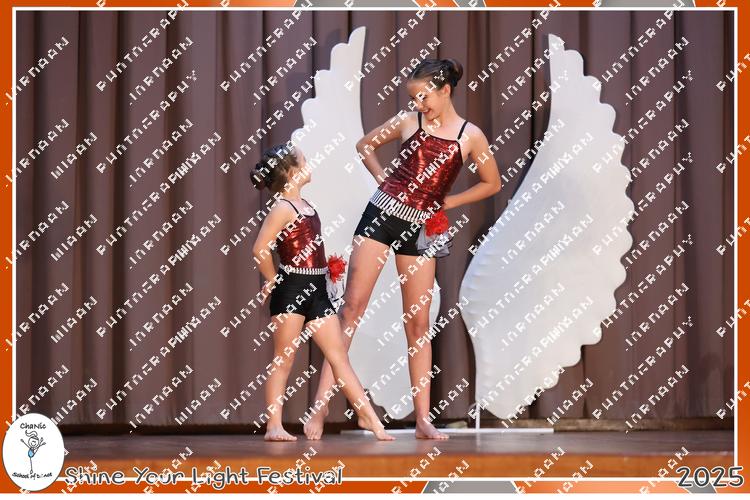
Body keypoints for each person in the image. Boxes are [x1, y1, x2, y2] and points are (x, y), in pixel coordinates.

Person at [304, 58, 502, 440]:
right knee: (351, 309)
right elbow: (364, 145)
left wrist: (449, 202)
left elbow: (491, 183)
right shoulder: (409, 121)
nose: (419, 104)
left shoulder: (470, 135)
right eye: (414, 98)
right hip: (382, 215)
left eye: (424, 96)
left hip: (421, 228)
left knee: (418, 324)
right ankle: (320, 406)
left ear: (445, 91)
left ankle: (423, 419)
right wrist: (383, 179)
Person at [251, 143, 395, 442]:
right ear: (292, 172)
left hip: (316, 290)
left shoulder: (306, 205)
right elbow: (260, 248)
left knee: (338, 356)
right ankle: (274, 426)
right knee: (284, 359)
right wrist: (272, 278)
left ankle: (372, 419)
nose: (309, 163)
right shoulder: (282, 208)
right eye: (304, 160)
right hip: (291, 289)